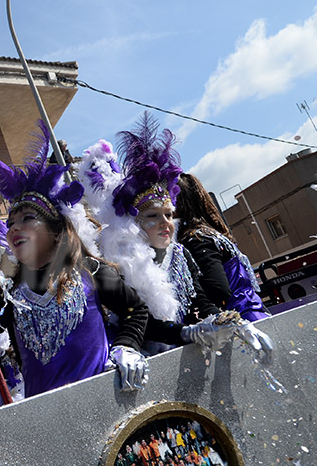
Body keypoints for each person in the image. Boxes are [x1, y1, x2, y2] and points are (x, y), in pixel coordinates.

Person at [0, 123, 150, 398]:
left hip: (103, 398)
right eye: (10, 223)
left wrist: (126, 346)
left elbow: (136, 311)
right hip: (46, 418)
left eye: (27, 219)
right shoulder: (12, 293)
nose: (14, 228)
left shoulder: (89, 271)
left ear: (54, 232)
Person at [77, 116, 273, 359]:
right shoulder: (119, 264)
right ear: (134, 224)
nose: (165, 223)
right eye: (153, 215)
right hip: (144, 359)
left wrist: (233, 322)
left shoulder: (180, 254)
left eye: (169, 214)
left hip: (186, 354)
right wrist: (189, 333)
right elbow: (137, 320)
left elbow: (200, 301)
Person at [176, 173, 270, 321]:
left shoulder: (196, 239)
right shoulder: (211, 234)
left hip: (239, 323)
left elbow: (218, 289)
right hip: (254, 315)